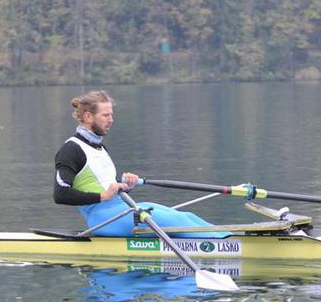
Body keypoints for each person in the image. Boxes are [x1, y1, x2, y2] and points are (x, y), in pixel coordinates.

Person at [53, 90, 226, 238]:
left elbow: (106, 186)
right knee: (176, 221)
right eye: (106, 115)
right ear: (88, 116)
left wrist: (126, 186)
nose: (111, 120)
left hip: (121, 208)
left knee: (186, 216)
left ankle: (228, 237)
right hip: (102, 218)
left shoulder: (100, 147)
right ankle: (227, 245)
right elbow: (60, 194)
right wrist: (102, 196)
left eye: (111, 114)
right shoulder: (71, 149)